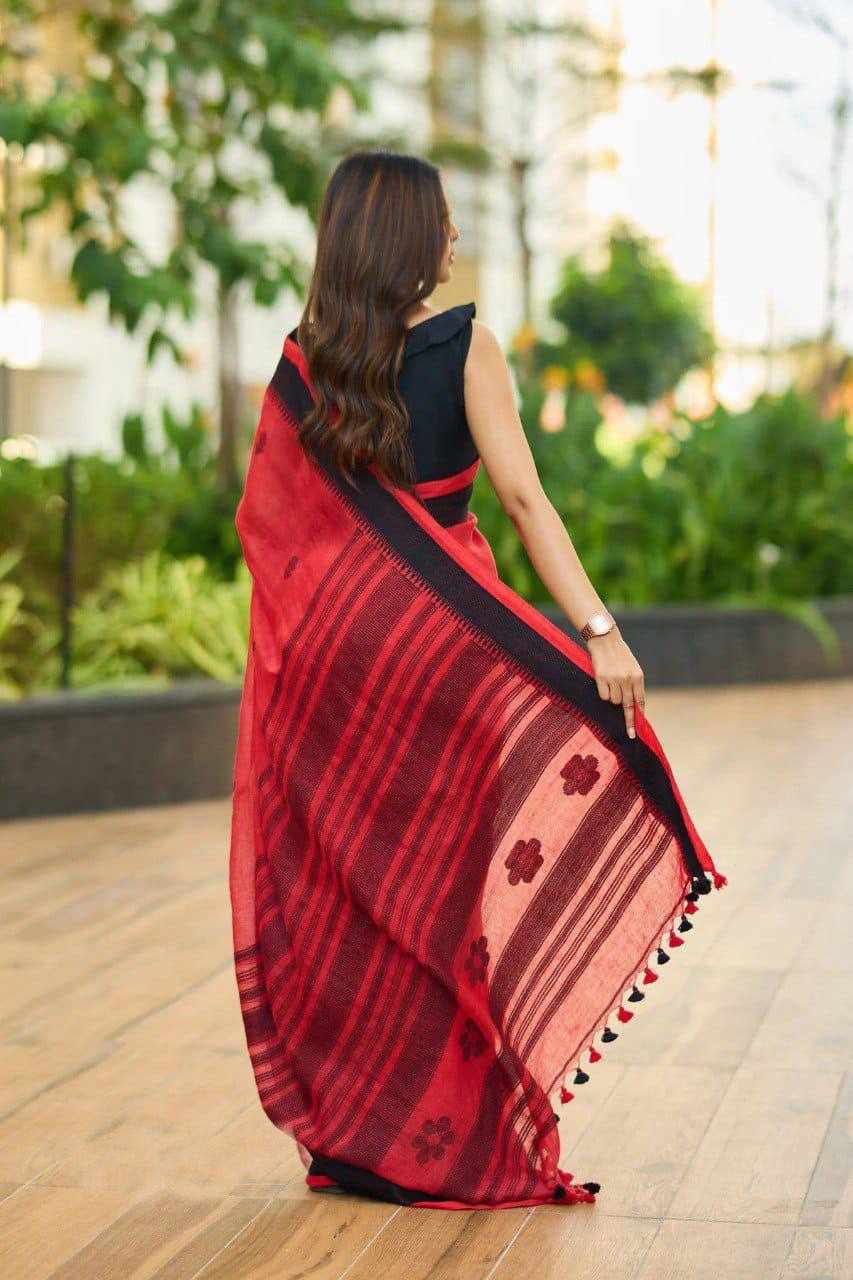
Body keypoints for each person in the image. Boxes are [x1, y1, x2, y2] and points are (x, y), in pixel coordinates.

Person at [228, 149, 727, 1212]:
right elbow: (524, 502)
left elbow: (269, 531)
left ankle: (357, 1141)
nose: (453, 238)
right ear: (407, 236)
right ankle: (446, 1141)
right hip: (443, 667)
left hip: (333, 680)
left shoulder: (302, 363)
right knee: (439, 902)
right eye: (443, 220)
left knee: (347, 901)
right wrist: (597, 632)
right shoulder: (464, 345)